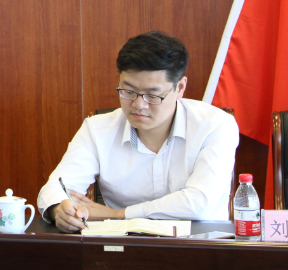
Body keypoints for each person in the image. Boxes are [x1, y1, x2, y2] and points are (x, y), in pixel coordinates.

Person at [38, 31, 239, 233]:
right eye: (128, 91)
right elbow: (57, 188)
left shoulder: (215, 126)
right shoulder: (98, 129)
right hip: (123, 245)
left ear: (180, 88)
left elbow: (201, 203)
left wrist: (118, 214)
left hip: (199, 243)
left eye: (152, 95)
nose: (138, 104)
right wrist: (59, 210)